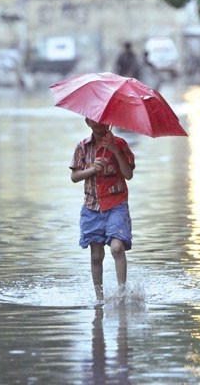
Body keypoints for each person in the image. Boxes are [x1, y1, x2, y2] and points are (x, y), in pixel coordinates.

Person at [70, 118, 135, 301]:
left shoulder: (120, 144)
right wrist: (91, 169)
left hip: (116, 204)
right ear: (87, 122)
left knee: (116, 247)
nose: (100, 124)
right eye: (95, 121)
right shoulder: (83, 147)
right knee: (96, 254)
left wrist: (115, 150)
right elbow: (74, 176)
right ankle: (99, 297)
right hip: (92, 206)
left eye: (103, 120)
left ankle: (122, 293)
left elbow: (128, 174)